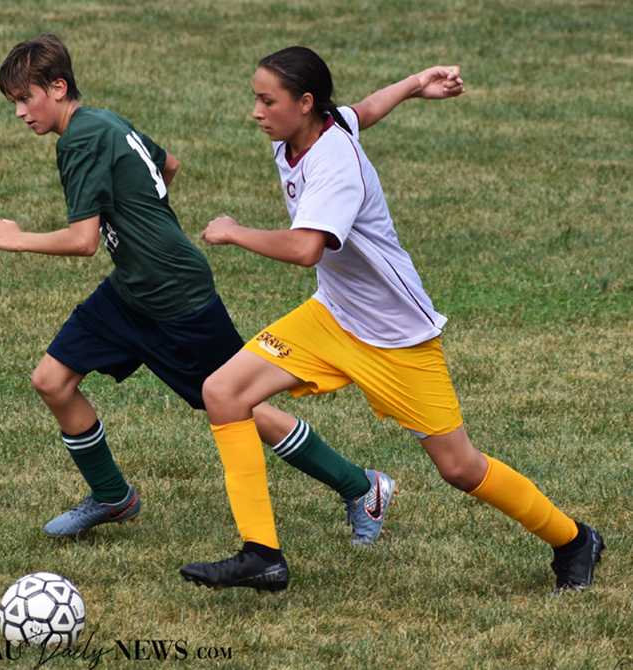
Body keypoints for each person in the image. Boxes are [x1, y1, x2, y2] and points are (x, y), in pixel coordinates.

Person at [181, 46, 604, 594]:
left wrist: (234, 231)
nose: (256, 112)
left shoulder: (334, 163)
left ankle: (574, 539)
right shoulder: (310, 129)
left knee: (459, 467)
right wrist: (415, 82)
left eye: (268, 101)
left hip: (395, 336)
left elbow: (306, 249)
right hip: (332, 317)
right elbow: (362, 111)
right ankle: (261, 555)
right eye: (255, 99)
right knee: (223, 392)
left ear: (305, 103)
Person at [0, 34, 396, 554]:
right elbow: (167, 164)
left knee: (243, 406)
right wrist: (142, 222)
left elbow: (83, 241)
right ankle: (112, 496)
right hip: (131, 289)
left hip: (177, 298)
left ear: (57, 88)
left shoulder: (77, 140)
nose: (19, 112)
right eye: (13, 102)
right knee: (51, 381)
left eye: (24, 98)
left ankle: (362, 486)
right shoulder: (103, 121)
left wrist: (17, 238)